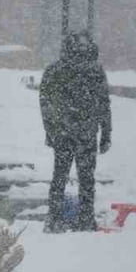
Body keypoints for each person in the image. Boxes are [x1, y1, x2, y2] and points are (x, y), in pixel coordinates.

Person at [40, 30, 111, 232]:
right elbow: (104, 105)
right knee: (87, 179)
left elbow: (45, 106)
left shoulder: (54, 70)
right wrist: (106, 135)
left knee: (59, 176)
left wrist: (50, 131)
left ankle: (54, 220)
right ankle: (86, 220)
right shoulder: (95, 71)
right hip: (86, 134)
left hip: (62, 133)